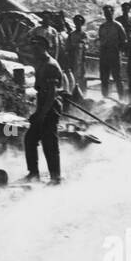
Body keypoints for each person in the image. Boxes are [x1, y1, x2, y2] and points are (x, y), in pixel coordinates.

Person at [23, 40, 65, 183]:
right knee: (30, 139)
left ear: (45, 48)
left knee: (49, 143)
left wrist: (41, 114)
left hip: (51, 108)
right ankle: (33, 173)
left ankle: (56, 177)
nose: (34, 51)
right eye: (33, 48)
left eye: (37, 48)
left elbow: (52, 94)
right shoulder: (42, 63)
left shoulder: (50, 66)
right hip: (43, 105)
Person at [96, 5, 127, 99]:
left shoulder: (118, 26)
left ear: (112, 13)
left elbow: (124, 40)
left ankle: (121, 97)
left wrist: (118, 50)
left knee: (117, 77)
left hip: (114, 54)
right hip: (104, 54)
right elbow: (100, 39)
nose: (107, 15)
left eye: (109, 13)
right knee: (104, 77)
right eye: (105, 13)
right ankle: (105, 97)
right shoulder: (102, 26)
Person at [62, 15, 88, 97]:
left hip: (81, 58)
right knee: (72, 75)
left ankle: (83, 94)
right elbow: (67, 46)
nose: (78, 24)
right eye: (76, 22)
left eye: (79, 22)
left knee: (81, 75)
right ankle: (73, 92)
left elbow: (85, 46)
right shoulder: (71, 35)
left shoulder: (84, 35)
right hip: (72, 57)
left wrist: (80, 46)